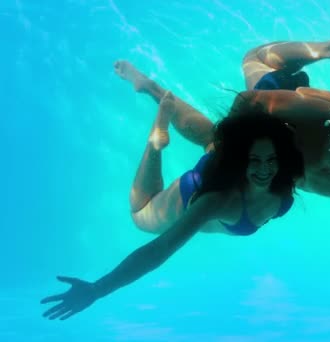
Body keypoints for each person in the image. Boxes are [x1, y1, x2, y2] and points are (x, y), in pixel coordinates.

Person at [40, 104, 305, 320]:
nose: (264, 170)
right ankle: (155, 142)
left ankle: (157, 93)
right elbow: (159, 249)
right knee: (139, 213)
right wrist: (97, 289)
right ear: (241, 161)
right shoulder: (219, 202)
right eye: (254, 161)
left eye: (271, 160)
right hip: (187, 196)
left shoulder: (283, 186)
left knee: (214, 143)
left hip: (219, 168)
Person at [113, 22, 330, 213]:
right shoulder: (321, 122)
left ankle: (153, 90)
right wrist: (233, 141)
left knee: (213, 133)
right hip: (275, 121)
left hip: (272, 168)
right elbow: (257, 100)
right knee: (253, 64)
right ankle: (153, 90)